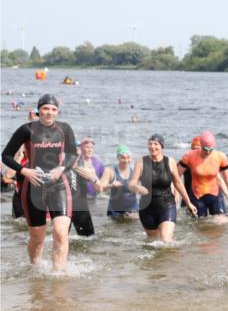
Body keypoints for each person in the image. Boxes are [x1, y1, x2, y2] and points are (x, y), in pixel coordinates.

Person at [1, 94, 80, 270]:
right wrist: (24, 170)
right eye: (45, 108)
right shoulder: (26, 130)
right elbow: (5, 155)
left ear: (57, 112)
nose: (49, 112)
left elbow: (73, 154)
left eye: (53, 109)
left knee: (60, 233)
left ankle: (57, 274)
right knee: (37, 239)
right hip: (33, 187)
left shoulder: (64, 129)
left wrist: (61, 169)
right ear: (39, 110)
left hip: (59, 185)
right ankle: (34, 267)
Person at [128, 134, 197, 241]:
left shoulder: (170, 162)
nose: (152, 147)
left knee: (165, 240)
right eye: (150, 144)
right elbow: (131, 184)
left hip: (167, 205)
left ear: (162, 146)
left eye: (155, 144)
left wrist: (188, 203)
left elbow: (178, 183)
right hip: (147, 208)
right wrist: (138, 188)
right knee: (153, 241)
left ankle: (170, 257)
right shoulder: (141, 162)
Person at [178, 130, 228, 222]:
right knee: (201, 225)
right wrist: (176, 199)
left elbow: (227, 179)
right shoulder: (189, 156)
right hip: (197, 196)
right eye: (205, 149)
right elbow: (176, 178)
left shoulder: (220, 157)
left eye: (210, 149)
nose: (208, 152)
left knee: (222, 222)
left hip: (215, 195)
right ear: (201, 145)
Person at [68, 138, 104, 237]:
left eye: (77, 148)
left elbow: (100, 188)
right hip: (64, 206)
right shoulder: (61, 166)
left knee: (89, 238)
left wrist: (92, 178)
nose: (75, 151)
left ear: (80, 151)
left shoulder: (85, 168)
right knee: (61, 237)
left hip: (81, 206)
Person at [98, 144, 140, 220]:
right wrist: (111, 185)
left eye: (128, 158)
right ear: (118, 158)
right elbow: (100, 188)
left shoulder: (134, 170)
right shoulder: (110, 171)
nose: (126, 161)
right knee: (116, 229)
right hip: (115, 210)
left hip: (133, 208)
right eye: (123, 158)